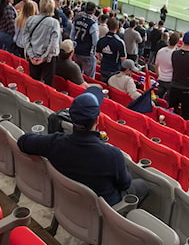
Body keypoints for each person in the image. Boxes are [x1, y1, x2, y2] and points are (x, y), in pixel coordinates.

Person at [16, 86, 148, 206]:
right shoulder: (112, 155)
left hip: (68, 201)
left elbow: (23, 141)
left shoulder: (54, 143)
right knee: (142, 185)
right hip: (103, 209)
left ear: (71, 118)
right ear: (97, 120)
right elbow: (124, 184)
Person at [23, 0, 61, 85]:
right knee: (47, 85)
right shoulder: (54, 23)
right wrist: (43, 57)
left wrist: (31, 55)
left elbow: (25, 39)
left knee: (34, 83)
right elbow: (53, 44)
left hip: (34, 56)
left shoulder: (30, 19)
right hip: (47, 59)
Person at [95, 16, 125, 81]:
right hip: (114, 69)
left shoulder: (102, 39)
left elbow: (97, 54)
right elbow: (123, 58)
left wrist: (103, 59)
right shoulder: (119, 42)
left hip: (104, 67)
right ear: (117, 28)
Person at [154, 32, 177, 99]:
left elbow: (156, 65)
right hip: (170, 80)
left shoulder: (161, 51)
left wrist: (159, 75)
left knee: (159, 99)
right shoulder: (175, 54)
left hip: (162, 78)